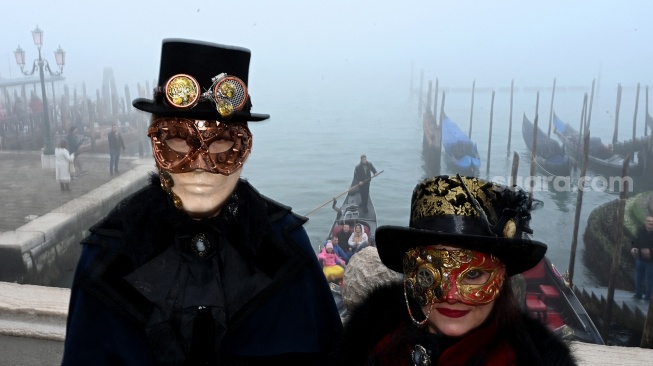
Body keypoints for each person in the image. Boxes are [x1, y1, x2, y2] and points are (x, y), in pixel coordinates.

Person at [61, 38, 342, 365]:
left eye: (222, 143)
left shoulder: (286, 246)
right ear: (156, 140)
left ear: (245, 148)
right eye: (178, 140)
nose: (199, 165)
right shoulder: (108, 253)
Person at [332, 175, 576, 365]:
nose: (450, 295)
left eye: (473, 274)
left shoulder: (526, 359)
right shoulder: (372, 342)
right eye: (431, 272)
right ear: (412, 272)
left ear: (501, 278)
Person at [631, 215, 653, 300]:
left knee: (649, 280)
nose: (650, 223)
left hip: (651, 262)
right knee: (638, 277)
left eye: (652, 222)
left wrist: (650, 252)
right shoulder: (640, 230)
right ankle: (638, 294)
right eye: (648, 221)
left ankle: (648, 297)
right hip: (640, 259)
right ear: (645, 222)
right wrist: (633, 247)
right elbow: (634, 240)